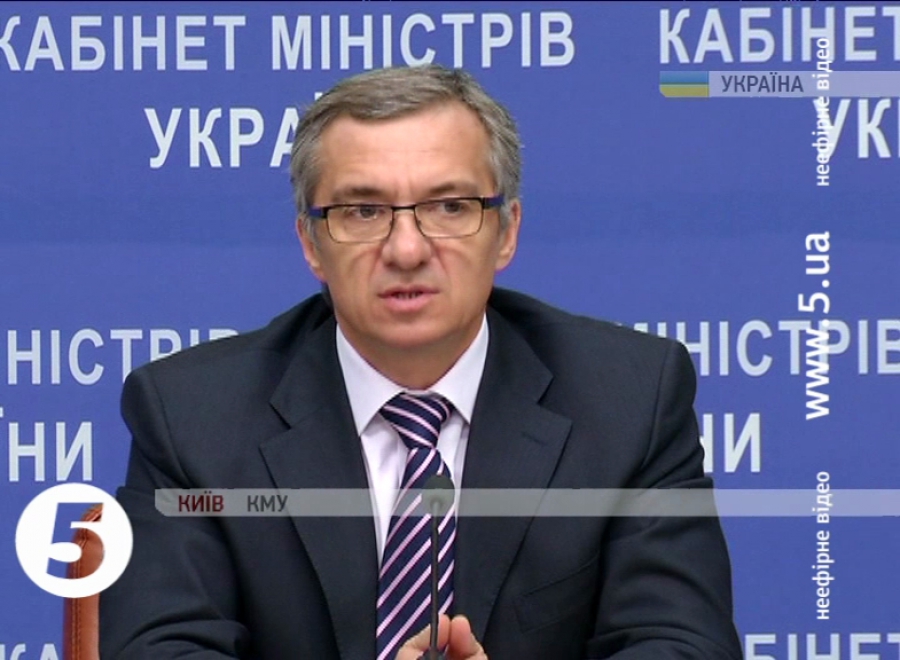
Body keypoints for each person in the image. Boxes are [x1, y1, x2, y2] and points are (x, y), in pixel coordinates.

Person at [100, 65, 742, 660]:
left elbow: (681, 644)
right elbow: (164, 649)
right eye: (362, 211)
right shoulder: (192, 419)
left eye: (449, 206)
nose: (406, 249)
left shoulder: (629, 401)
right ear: (311, 243)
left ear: (507, 231)